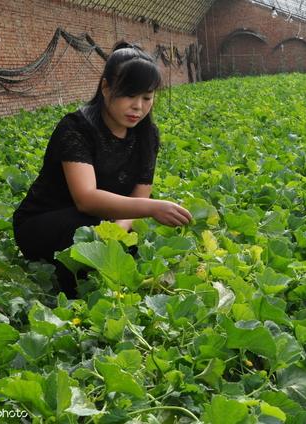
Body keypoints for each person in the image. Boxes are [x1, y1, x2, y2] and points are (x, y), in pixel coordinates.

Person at [12, 42, 192, 298]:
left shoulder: (147, 134)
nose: (138, 107)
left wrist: (116, 234)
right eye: (129, 95)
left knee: (126, 247)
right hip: (44, 222)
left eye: (147, 97)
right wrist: (154, 208)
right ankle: (76, 297)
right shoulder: (76, 128)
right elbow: (86, 199)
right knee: (86, 237)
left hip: (101, 221)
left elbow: (139, 195)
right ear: (106, 88)